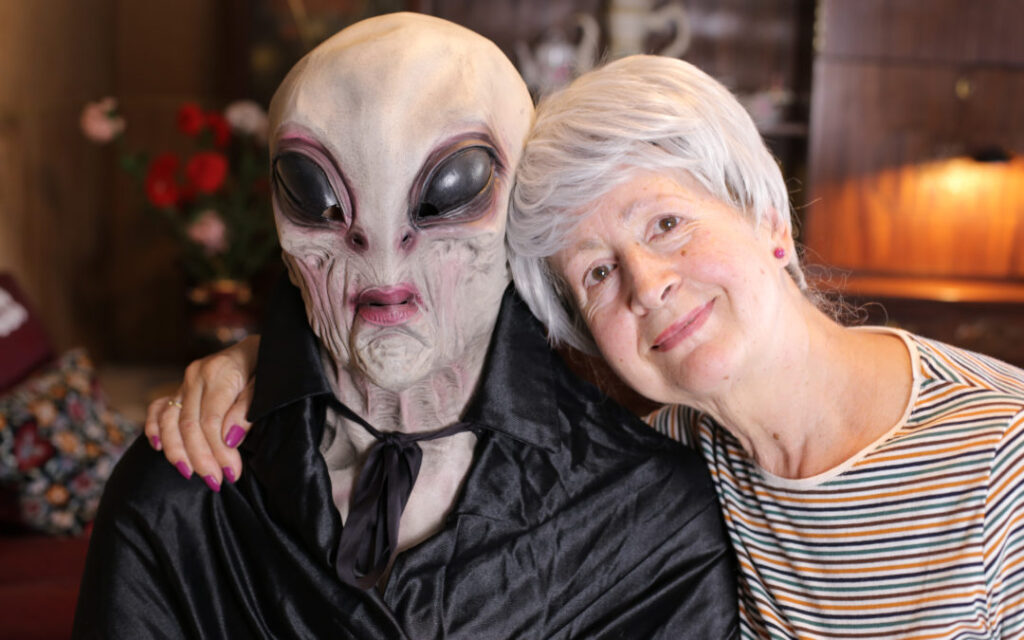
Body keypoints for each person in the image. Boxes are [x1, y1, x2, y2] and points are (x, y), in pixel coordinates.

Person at [157, 53, 1024, 638]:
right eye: (599, 274)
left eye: (668, 223)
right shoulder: (669, 458)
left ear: (767, 217)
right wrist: (263, 366)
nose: (647, 284)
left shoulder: (1001, 453)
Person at [74, 14, 737, 640]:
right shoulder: (183, 497)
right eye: (316, 194)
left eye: (451, 188)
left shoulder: (643, 514)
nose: (383, 254)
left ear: (519, 204)